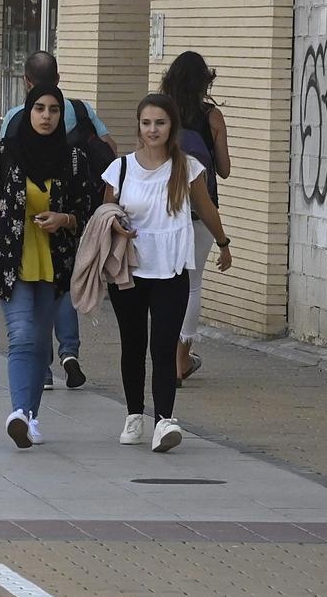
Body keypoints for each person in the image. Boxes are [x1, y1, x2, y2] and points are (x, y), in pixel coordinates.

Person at [0, 84, 95, 449]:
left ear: (62, 116)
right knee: (23, 336)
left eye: (54, 110)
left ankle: (31, 417)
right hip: (13, 261)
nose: (46, 116)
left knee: (41, 343)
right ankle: (20, 413)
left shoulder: (74, 159)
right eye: (39, 108)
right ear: (28, 112)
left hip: (55, 264)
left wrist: (65, 219)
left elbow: (88, 206)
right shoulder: (6, 153)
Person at [103, 94, 232, 453]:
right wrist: (117, 227)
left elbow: (206, 208)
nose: (153, 129)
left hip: (172, 268)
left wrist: (223, 243)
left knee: (163, 345)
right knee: (132, 344)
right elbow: (105, 214)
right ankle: (133, 416)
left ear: (171, 125)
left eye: (160, 122)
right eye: (146, 123)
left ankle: (164, 420)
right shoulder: (121, 168)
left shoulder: (186, 168)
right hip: (129, 269)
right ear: (138, 126)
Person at [0, 51, 118, 390]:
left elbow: (5, 166)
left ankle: (45, 368)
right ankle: (70, 353)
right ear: (59, 78)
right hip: (72, 213)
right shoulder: (79, 110)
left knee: (37, 286)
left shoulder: (16, 116)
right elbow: (110, 148)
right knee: (62, 280)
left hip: (31, 214)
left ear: (26, 81)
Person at [158, 52, 233, 385]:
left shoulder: (160, 115)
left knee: (164, 283)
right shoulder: (211, 116)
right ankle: (181, 359)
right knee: (193, 284)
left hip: (163, 208)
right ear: (204, 81)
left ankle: (163, 356)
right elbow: (225, 170)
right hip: (200, 208)